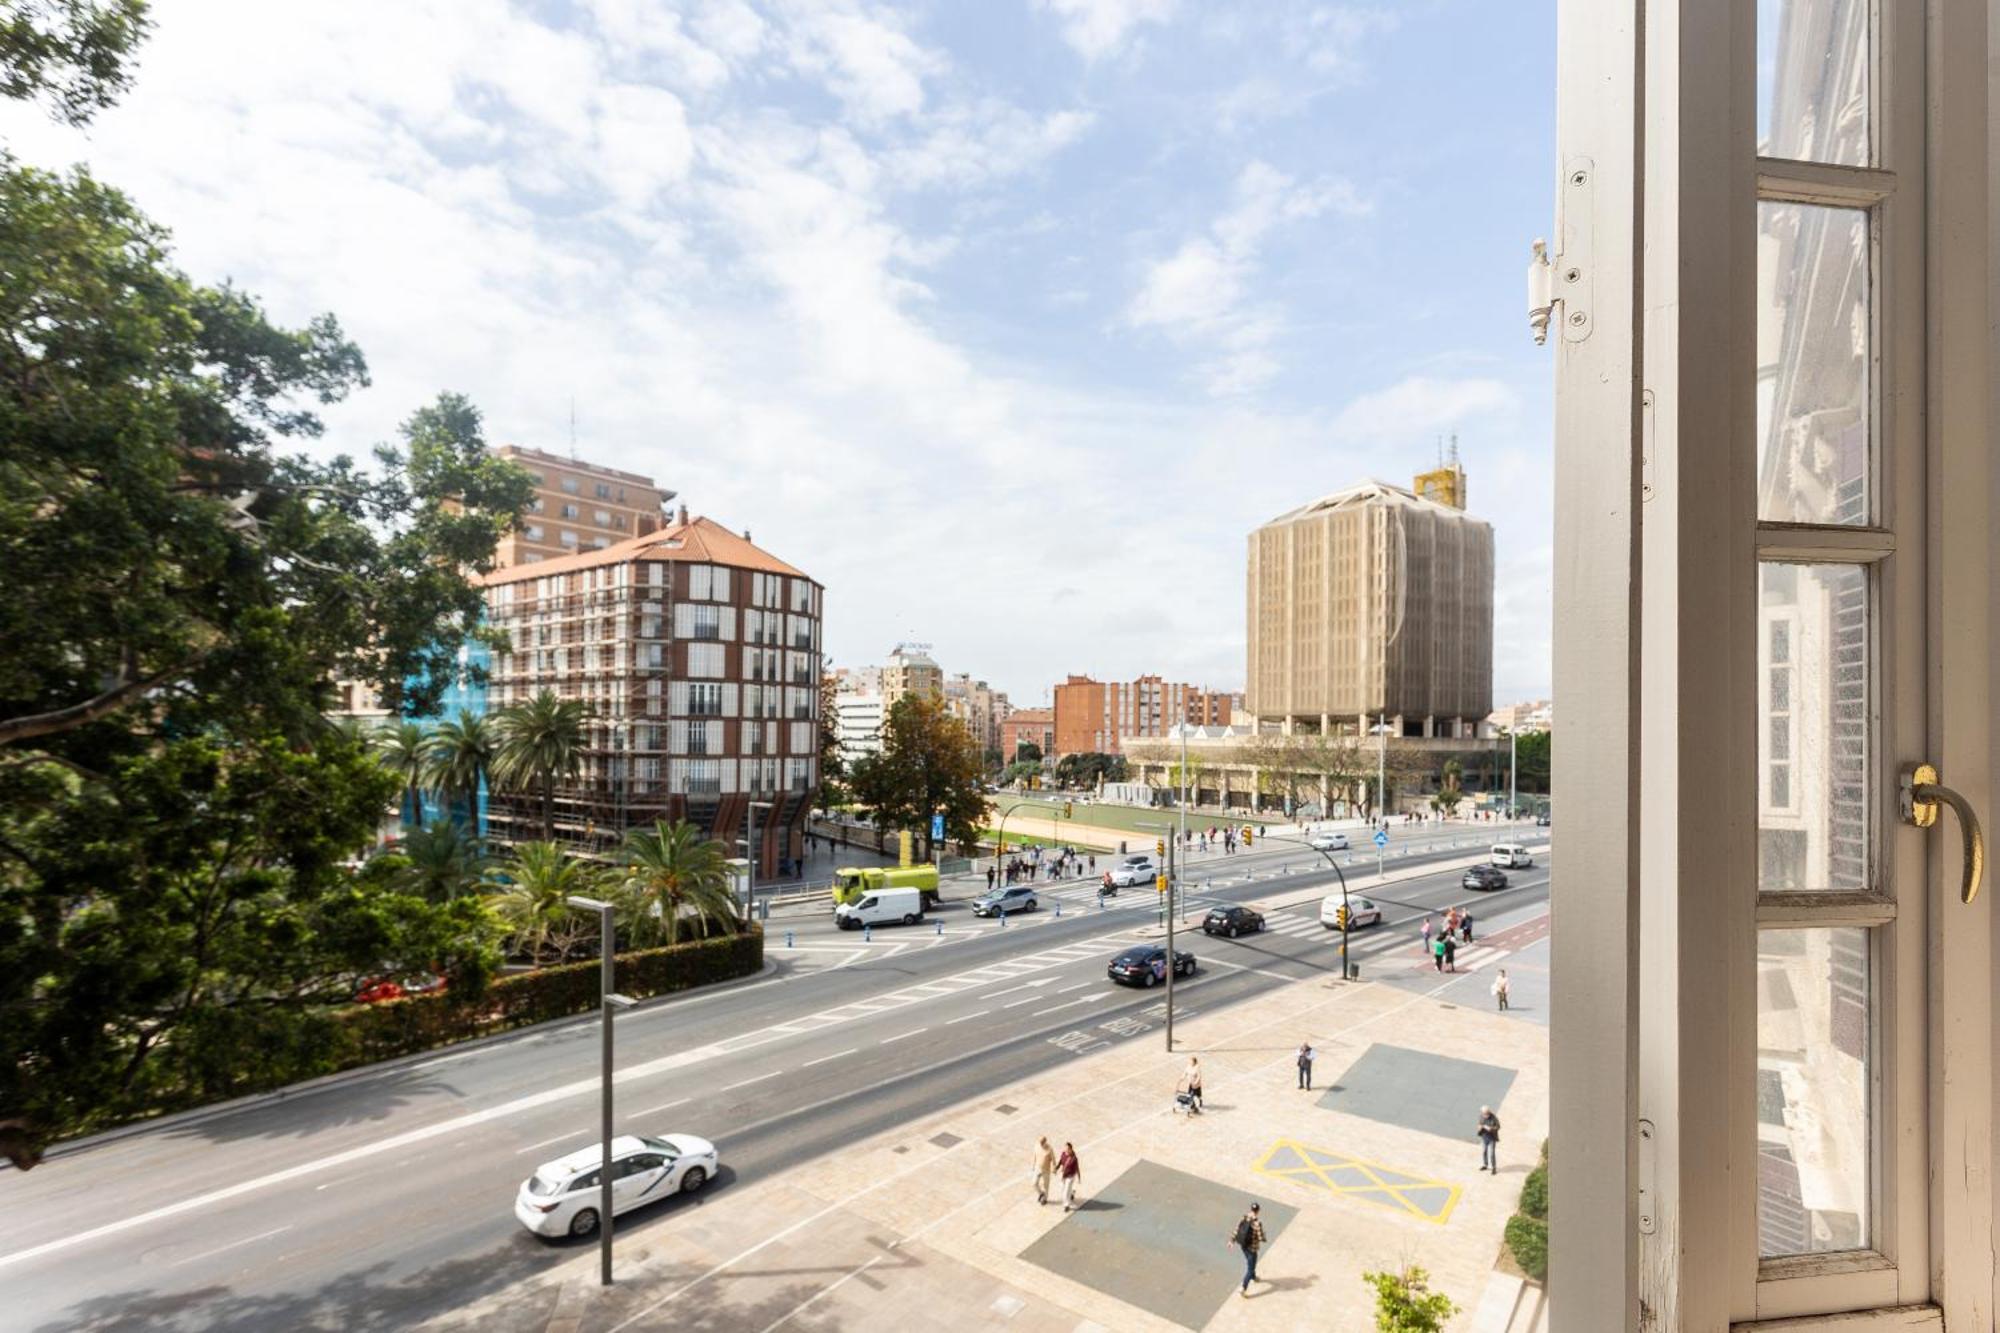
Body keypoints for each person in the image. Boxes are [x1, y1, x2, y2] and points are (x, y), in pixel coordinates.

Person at [1229, 1202, 1267, 1296]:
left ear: (1251, 1209)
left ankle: (1253, 1277)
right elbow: (1261, 1237)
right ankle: (1243, 1287)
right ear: (1258, 1211)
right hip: (1252, 1248)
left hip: (1243, 1246)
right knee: (1250, 1268)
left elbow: (1237, 1229)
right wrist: (1264, 1237)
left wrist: (1231, 1241)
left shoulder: (1244, 1217)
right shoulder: (1257, 1223)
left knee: (1250, 1263)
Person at [1057, 1141, 1082, 1210]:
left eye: (1068, 1149)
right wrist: (1057, 1167)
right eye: (1065, 1148)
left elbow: (1077, 1168)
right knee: (1062, 1189)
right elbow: (1061, 1161)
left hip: (1070, 1177)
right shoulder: (1063, 1154)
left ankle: (1066, 1205)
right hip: (1063, 1175)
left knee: (1066, 1192)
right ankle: (1072, 1193)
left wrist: (1079, 1178)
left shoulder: (1074, 1159)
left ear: (1071, 1149)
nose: (1066, 1150)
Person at [1478, 1106, 1501, 1174]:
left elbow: (1498, 1126)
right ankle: (1485, 1165)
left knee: (1492, 1154)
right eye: (1484, 1114)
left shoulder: (1494, 1118)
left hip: (1492, 1138)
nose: (1485, 1115)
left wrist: (1491, 1128)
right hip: (1484, 1137)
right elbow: (1479, 1124)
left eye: (1486, 1113)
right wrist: (1480, 1127)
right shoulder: (1481, 1116)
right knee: (1484, 1151)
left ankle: (1494, 1168)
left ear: (1489, 1112)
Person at [1034, 1136, 1055, 1205]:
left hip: (1046, 1170)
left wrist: (1054, 1168)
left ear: (1045, 1142)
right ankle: (1041, 1193)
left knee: (1046, 1185)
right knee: (1034, 1183)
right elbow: (1035, 1156)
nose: (1041, 1144)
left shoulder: (1049, 1149)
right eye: (1040, 1142)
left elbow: (1053, 1160)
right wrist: (1033, 1166)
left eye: (1042, 1142)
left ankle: (1045, 1199)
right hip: (1038, 1168)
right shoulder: (1037, 1146)